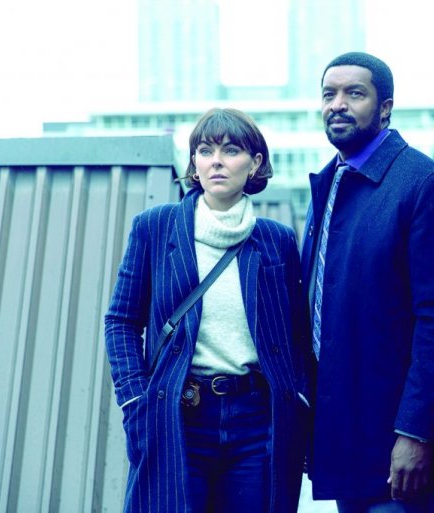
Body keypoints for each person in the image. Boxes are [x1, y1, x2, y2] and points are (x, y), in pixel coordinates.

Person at [105, 107, 313, 513]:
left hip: (257, 423)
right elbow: (121, 322)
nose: (216, 161)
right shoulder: (155, 227)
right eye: (205, 151)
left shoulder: (277, 240)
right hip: (178, 416)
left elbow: (298, 336)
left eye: (231, 150)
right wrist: (135, 400)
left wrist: (300, 404)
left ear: (255, 163)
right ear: (195, 164)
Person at [301, 52, 434, 513]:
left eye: (354, 93)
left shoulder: (426, 185)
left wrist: (416, 432)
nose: (338, 104)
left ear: (385, 109)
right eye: (329, 94)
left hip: (396, 443)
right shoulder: (331, 185)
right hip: (345, 436)